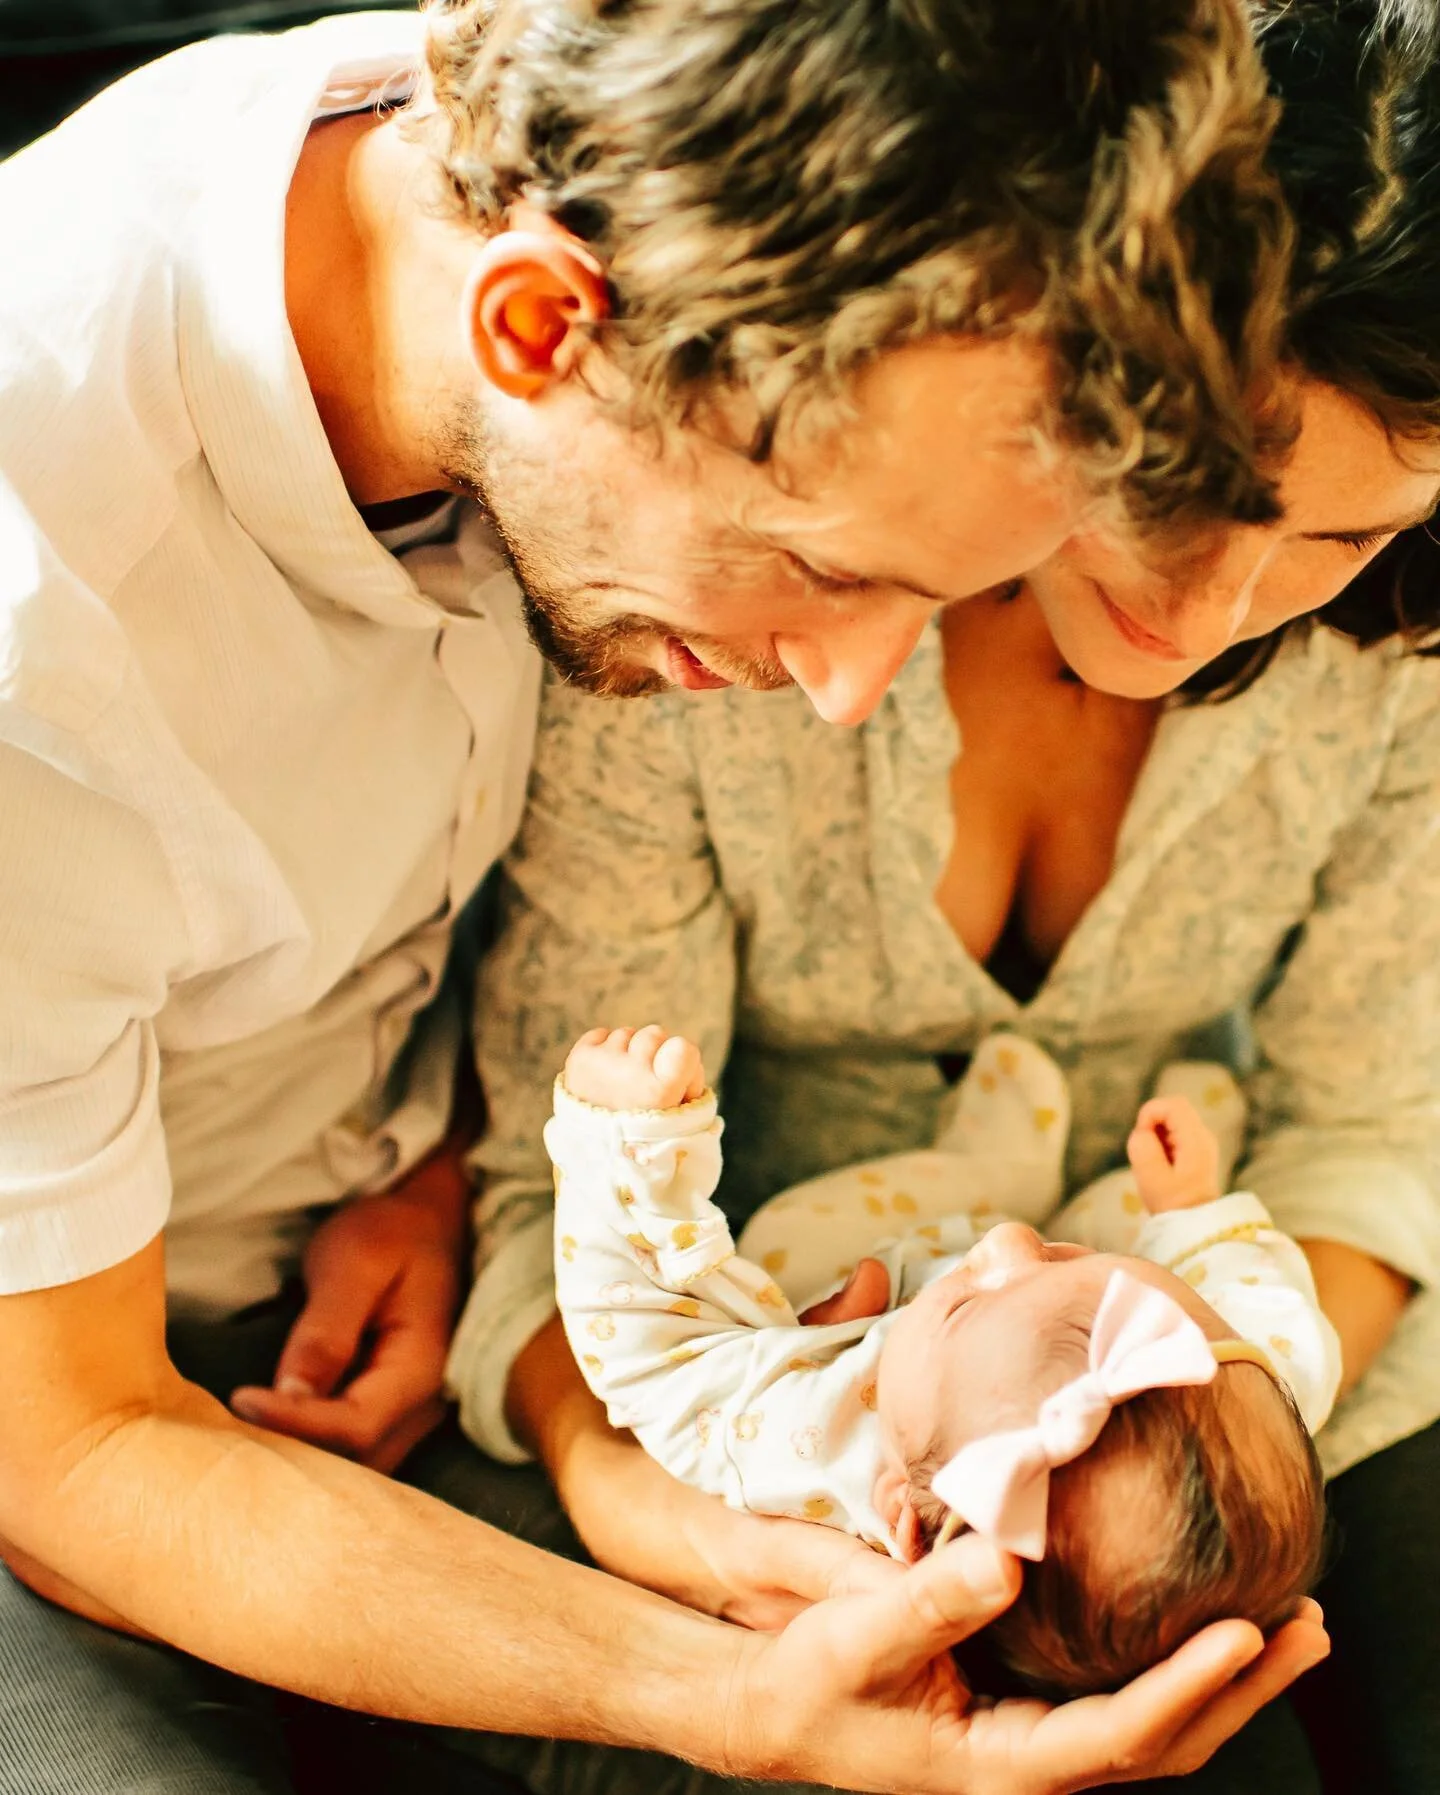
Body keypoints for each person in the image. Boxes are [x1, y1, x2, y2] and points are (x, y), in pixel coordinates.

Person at [0, 0, 1334, 1790]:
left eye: (941, 596)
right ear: (536, 328)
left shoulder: (527, 158)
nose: (852, 697)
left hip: (391, 1245)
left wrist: (420, 1158)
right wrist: (727, 1695)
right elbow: (75, 1455)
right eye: (827, 570)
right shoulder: (38, 649)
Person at [459, 7, 1440, 1788]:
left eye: (1339, 534)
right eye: (1191, 485)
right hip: (749, 1392)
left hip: (1253, 1392)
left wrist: (1211, 1432)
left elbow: (1374, 1127)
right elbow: (559, 1177)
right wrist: (691, 1526)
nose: (1208, 613)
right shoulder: (745, 592)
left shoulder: (1393, 664)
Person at [549, 1023, 1333, 1699]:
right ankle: (1069, 1204)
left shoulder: (811, 1448)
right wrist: (1191, 1207)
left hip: (875, 1256)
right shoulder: (1242, 1374)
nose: (1009, 1242)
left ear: (901, 1510)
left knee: (793, 1236)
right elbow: (1259, 1300)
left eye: (966, 1303)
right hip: (1078, 1281)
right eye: (1068, 1261)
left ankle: (991, 1162)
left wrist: (629, 1148)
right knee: (1139, 1229)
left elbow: (651, 1351)